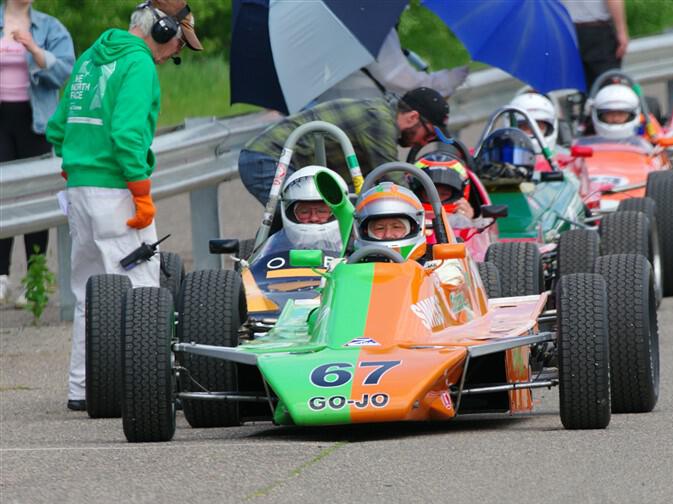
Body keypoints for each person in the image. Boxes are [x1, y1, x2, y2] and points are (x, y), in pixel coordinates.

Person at [45, 0, 202, 411]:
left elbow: (58, 127)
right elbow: (128, 134)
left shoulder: (90, 58)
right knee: (143, 289)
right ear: (164, 30)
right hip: (116, 192)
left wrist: (76, 168)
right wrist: (142, 193)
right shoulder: (139, 64)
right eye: (178, 43)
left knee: (89, 291)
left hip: (80, 189)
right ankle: (152, 388)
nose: (176, 54)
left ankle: (82, 388)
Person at [239, 86, 451, 207]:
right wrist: (427, 214)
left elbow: (365, 184)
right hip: (267, 157)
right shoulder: (380, 121)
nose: (424, 143)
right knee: (302, 216)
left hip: (276, 158)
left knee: (330, 212)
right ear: (413, 117)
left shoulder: (381, 114)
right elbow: (391, 179)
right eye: (429, 134)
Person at [0, 0, 74, 306]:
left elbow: (65, 71)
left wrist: (34, 49)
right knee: (2, 196)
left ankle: (35, 278)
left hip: (37, 123)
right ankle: (1, 277)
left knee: (34, 199)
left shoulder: (50, 27)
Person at [315, 28, 469, 102]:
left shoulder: (335, 20)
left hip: (328, 109)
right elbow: (396, 78)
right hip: (363, 115)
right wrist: (449, 80)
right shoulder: (371, 22)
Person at [561, 0, 629, 91]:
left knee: (583, 85)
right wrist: (621, 31)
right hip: (598, 30)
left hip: (567, 31)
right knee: (607, 83)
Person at [277, 165, 344, 252]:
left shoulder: (355, 240)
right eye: (305, 212)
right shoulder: (275, 242)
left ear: (335, 213)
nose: (313, 218)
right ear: (292, 214)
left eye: (321, 211)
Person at [413, 152, 475, 220]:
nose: (437, 198)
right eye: (429, 193)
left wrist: (468, 222)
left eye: (444, 194)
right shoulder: (408, 213)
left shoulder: (472, 224)